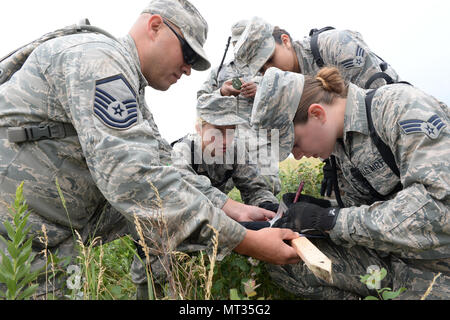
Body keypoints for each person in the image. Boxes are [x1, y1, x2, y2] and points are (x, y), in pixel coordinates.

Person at [0, 0, 301, 299]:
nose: (187, 69)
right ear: (154, 26)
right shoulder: (99, 61)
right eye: (187, 53)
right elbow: (137, 179)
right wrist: (246, 240)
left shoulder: (129, 87)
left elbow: (162, 166)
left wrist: (232, 209)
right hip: (15, 238)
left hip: (46, 240)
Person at [250, 66, 449, 299]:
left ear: (317, 114)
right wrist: (316, 214)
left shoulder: (398, 107)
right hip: (393, 256)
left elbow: (440, 209)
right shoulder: (338, 147)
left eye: (295, 144)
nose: (298, 155)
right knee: (286, 263)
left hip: (437, 263)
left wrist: (331, 220)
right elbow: (363, 212)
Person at [234, 17, 403, 199]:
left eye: (270, 59)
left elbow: (376, 107)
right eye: (261, 70)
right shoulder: (286, 84)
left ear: (285, 41)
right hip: (340, 148)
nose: (269, 71)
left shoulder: (334, 46)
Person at [197, 18, 281, 196]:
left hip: (261, 139)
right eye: (236, 42)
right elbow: (201, 101)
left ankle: (266, 218)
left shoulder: (269, 67)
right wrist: (222, 92)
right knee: (213, 189)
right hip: (227, 139)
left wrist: (260, 91)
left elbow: (287, 99)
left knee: (268, 188)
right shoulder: (220, 71)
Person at [171, 94, 279, 216]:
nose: (225, 140)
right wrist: (236, 210)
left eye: (231, 131)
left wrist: (267, 206)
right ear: (199, 129)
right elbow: (187, 193)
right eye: (217, 131)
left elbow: (255, 189)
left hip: (220, 215)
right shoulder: (182, 151)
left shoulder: (235, 149)